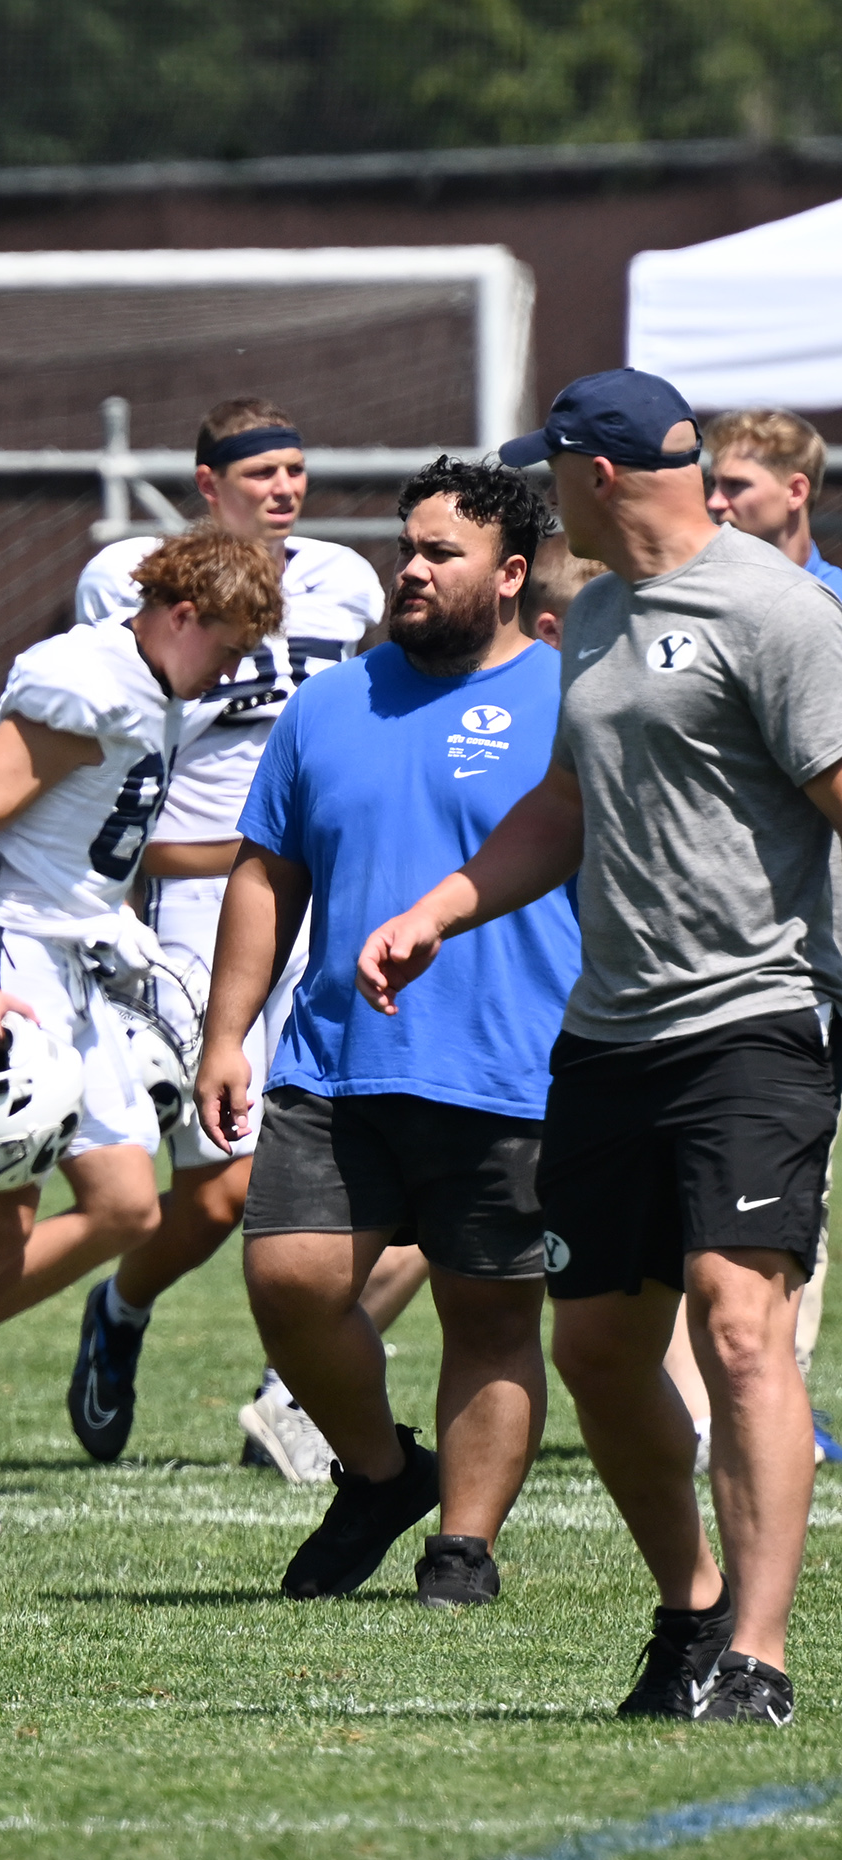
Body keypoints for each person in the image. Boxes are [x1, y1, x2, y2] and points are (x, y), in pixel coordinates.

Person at [361, 369, 842, 1726]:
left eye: (551, 469)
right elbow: (565, 805)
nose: (544, 486)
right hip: (611, 1031)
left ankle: (760, 1651)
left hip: (755, 1016)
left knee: (738, 1321)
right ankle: (690, 1609)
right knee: (597, 1356)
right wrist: (438, 912)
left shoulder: (777, 614)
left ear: (600, 474)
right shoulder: (601, 616)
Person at [198, 457, 563, 1608]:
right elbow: (267, 874)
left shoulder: (569, 698)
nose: (409, 568)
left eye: (439, 553)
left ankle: (464, 1543)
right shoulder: (328, 702)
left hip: (513, 1059)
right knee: (290, 1280)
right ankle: (381, 1473)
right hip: (334, 1058)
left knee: (491, 1309)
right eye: (407, 546)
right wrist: (226, 1033)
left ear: (508, 575)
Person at [5, 400, 385, 1471]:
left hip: (320, 900)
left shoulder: (347, 583)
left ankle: (295, 1389)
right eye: (260, 471)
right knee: (217, 1188)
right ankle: (119, 1311)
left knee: (366, 1151)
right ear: (206, 481)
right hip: (189, 906)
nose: (284, 489)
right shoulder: (133, 576)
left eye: (297, 469)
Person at [0, 527, 284, 1479]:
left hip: (76, 955)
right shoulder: (91, 677)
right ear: (181, 614)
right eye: (225, 643)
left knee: (124, 1208)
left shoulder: (153, 686)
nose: (229, 668)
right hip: (15, 951)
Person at [702, 409, 842, 602]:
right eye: (713, 485)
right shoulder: (698, 596)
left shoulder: (835, 600)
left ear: (795, 492)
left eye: (735, 485)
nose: (714, 502)